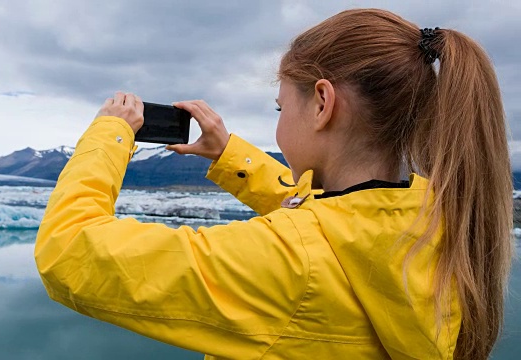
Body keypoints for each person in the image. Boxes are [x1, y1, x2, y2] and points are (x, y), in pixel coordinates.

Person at [34, 8, 513, 360]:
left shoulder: (287, 264)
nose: (280, 125)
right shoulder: (438, 216)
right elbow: (338, 222)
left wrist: (110, 133)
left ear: (323, 103)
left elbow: (68, 252)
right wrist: (229, 155)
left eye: (281, 109)